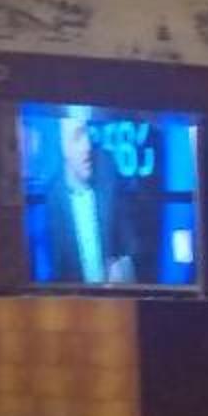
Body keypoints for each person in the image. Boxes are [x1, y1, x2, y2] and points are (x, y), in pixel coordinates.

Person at [40, 105, 142, 285]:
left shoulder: (108, 169)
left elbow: (127, 239)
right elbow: (56, 271)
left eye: (87, 134)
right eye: (77, 137)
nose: (87, 146)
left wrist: (124, 265)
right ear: (62, 146)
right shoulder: (52, 197)